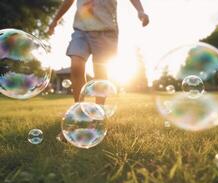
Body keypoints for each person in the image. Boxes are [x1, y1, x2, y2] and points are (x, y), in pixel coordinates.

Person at [48, 0, 149, 142]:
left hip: (106, 31)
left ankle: (98, 116)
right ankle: (79, 113)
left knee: (100, 72)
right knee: (76, 65)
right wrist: (55, 21)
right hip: (81, 29)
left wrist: (140, 10)